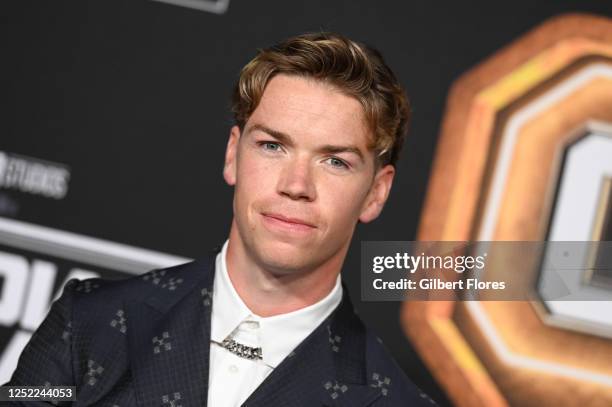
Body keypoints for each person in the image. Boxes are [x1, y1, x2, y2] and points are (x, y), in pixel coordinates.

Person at [6, 32, 438, 406]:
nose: (296, 184)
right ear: (233, 154)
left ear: (376, 192)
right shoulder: (87, 323)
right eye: (273, 146)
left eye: (335, 162)